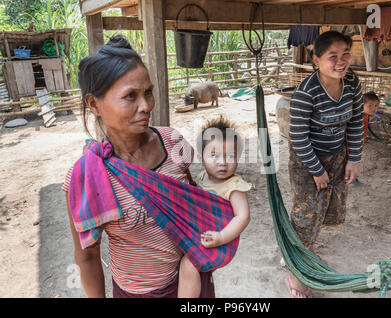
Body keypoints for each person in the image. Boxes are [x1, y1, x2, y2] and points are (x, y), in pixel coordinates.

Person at [62, 35, 217, 298]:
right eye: (130, 96)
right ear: (94, 104)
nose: (146, 106)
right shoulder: (86, 177)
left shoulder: (172, 141)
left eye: (148, 92)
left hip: (192, 280)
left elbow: (196, 200)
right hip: (140, 292)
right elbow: (87, 258)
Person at [287, 31, 364, 298]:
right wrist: (316, 171)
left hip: (336, 154)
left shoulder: (352, 83)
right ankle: (295, 268)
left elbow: (355, 121)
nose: (341, 61)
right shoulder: (306, 92)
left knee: (326, 207)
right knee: (306, 212)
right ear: (317, 60)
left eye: (345, 54)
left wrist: (354, 158)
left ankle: (302, 251)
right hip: (307, 158)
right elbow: (297, 137)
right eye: (333, 56)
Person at [178, 116, 251, 298]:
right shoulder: (202, 177)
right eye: (214, 155)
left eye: (230, 156)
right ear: (201, 158)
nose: (222, 162)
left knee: (189, 264)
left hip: (220, 239)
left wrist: (221, 237)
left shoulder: (235, 186)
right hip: (201, 232)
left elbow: (243, 216)